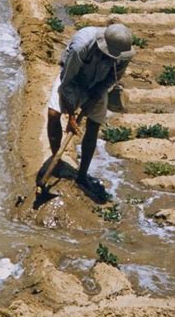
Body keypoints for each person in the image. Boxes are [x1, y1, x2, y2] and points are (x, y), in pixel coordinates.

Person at [47, 23, 135, 192]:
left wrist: (95, 96)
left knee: (93, 125)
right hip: (72, 79)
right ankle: (55, 162)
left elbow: (112, 78)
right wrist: (72, 117)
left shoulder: (123, 53)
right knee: (53, 114)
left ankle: (82, 176)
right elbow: (66, 82)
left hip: (97, 84)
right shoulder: (81, 46)